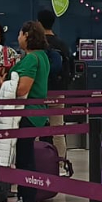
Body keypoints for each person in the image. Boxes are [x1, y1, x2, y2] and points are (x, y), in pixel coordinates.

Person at [6, 20, 53, 202]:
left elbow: (23, 88)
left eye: (19, 34)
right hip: (37, 114)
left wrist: (2, 83)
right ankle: (26, 197)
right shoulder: (42, 57)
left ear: (27, 35)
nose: (18, 38)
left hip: (27, 113)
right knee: (26, 157)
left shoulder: (31, 59)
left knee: (25, 159)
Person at [38, 9, 74, 174]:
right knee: (58, 130)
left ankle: (36, 162)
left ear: (38, 23)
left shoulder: (36, 44)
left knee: (35, 130)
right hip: (58, 92)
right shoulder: (62, 44)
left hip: (38, 92)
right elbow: (71, 70)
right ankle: (60, 166)